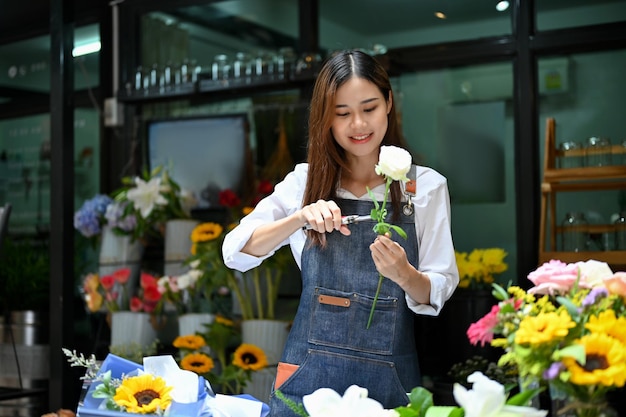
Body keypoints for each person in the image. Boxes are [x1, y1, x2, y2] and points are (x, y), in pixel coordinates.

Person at [222, 49, 459, 415]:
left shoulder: (425, 187)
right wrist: (299, 218)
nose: (359, 125)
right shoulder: (305, 180)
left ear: (389, 103)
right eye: (342, 113)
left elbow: (440, 286)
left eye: (369, 108)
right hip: (305, 381)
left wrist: (404, 274)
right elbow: (236, 250)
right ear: (325, 118)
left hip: (390, 382)